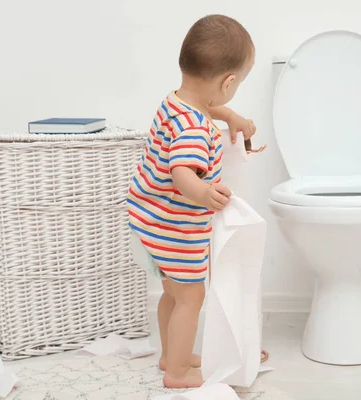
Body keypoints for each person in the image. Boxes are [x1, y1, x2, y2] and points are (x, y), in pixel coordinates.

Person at [127, 14, 256, 388]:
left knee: (172, 291)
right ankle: (178, 372)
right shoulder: (194, 129)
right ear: (228, 82)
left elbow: (206, 106)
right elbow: (181, 171)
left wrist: (231, 116)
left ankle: (172, 355)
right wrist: (203, 193)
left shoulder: (178, 103)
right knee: (191, 295)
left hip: (147, 215)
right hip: (170, 225)